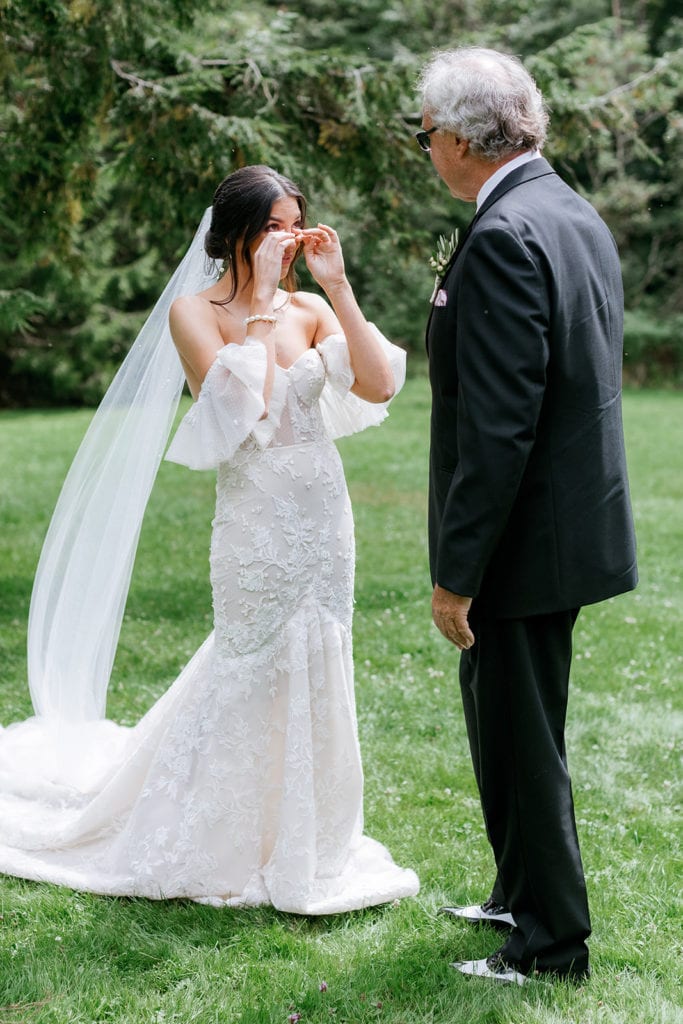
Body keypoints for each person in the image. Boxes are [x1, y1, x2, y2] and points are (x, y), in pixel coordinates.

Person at [0, 165, 419, 914]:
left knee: (321, 654)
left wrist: (340, 288)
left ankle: (312, 837)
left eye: (294, 223)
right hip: (254, 518)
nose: (286, 240)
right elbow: (237, 413)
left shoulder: (310, 307)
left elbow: (380, 383)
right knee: (249, 656)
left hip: (323, 516)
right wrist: (256, 307)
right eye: (272, 227)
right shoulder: (195, 312)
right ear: (234, 237)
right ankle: (222, 834)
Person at [417, 48, 637, 983]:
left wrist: (457, 571)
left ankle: (550, 947)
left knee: (522, 736)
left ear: (463, 138)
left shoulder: (507, 233)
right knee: (498, 721)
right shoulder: (565, 209)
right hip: (562, 524)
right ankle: (518, 891)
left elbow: (501, 424)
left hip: (521, 540)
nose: (423, 149)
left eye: (422, 133)